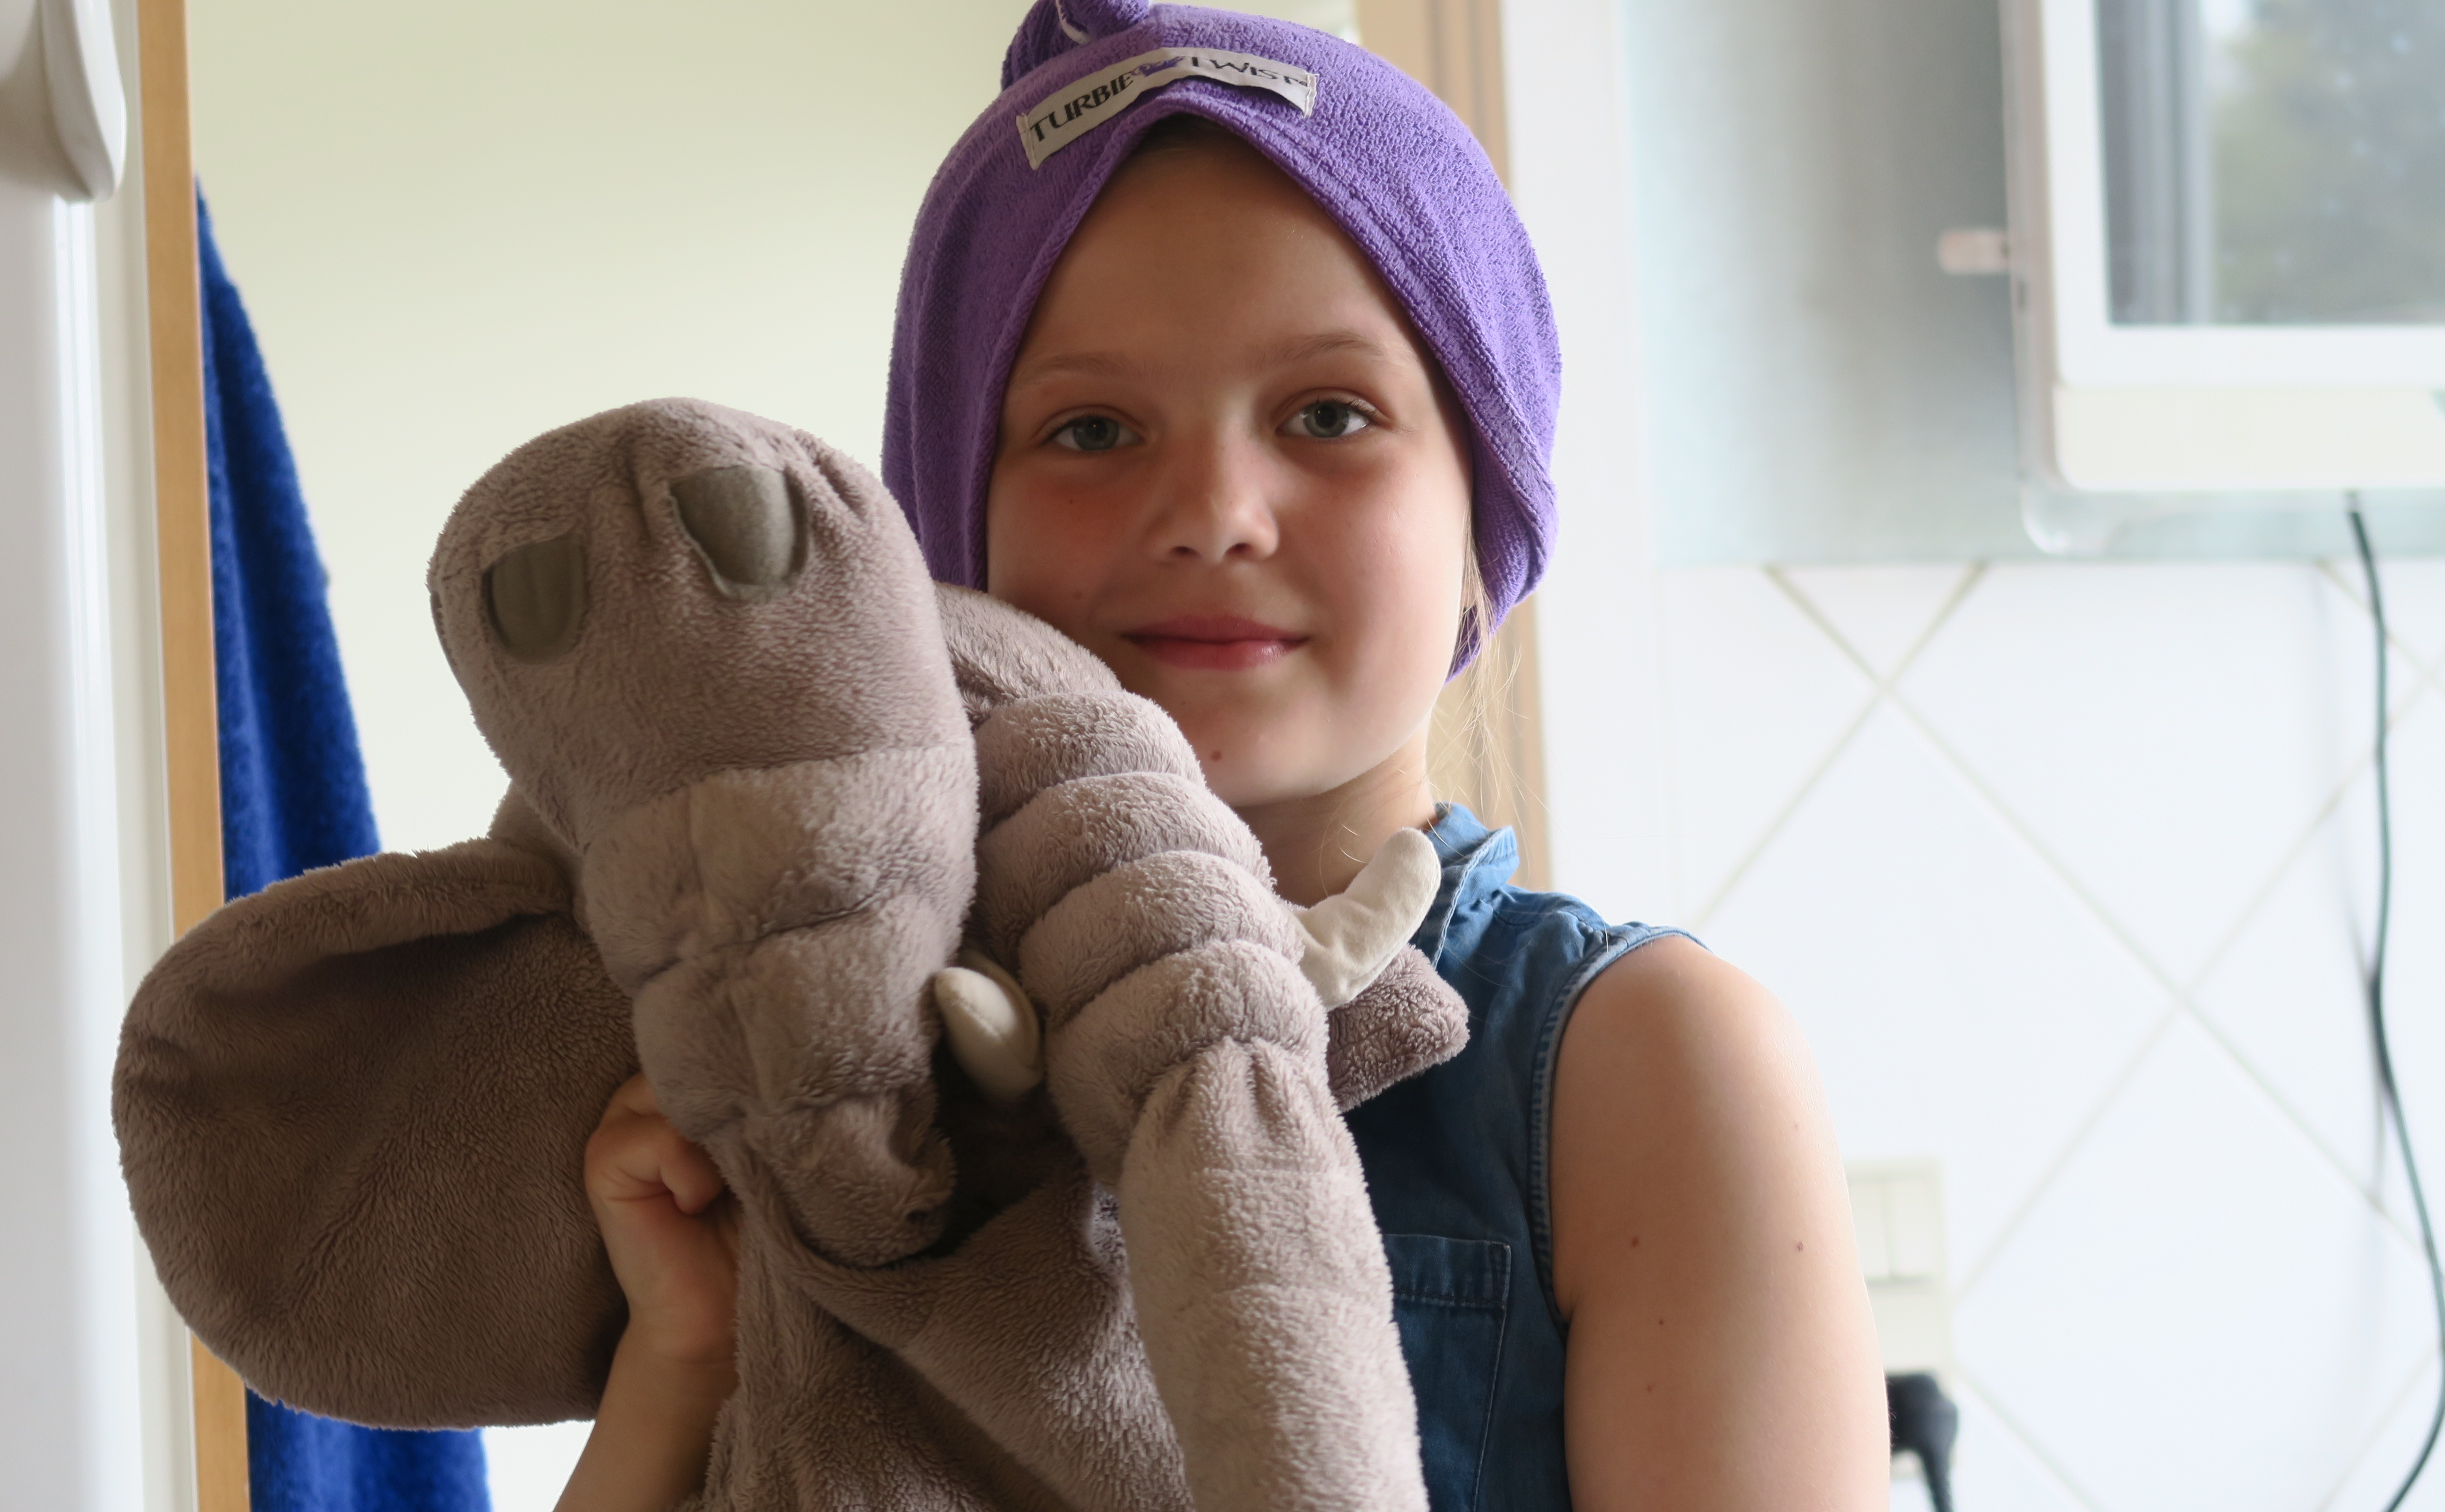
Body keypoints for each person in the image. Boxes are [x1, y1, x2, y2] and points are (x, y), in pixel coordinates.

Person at [562, 4, 1887, 1508]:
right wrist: (688, 1348)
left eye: (1329, 413)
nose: (1213, 512)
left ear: (1484, 519)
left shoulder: (1644, 1069)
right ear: (951, 540)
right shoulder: (839, 1070)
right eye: (1090, 430)